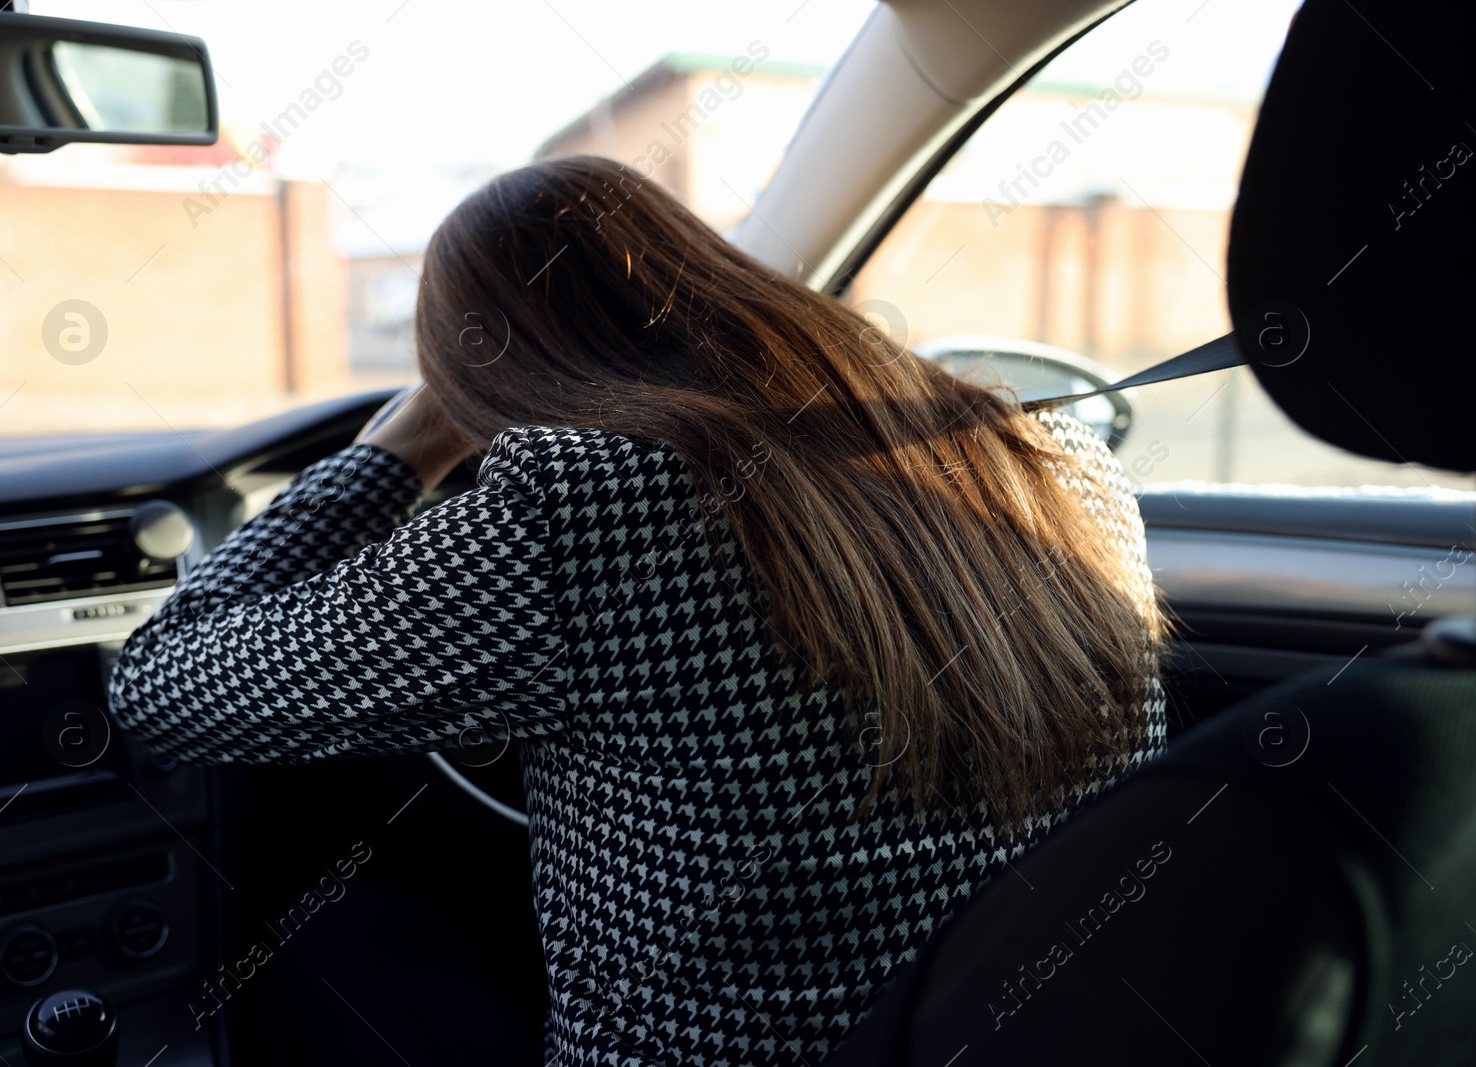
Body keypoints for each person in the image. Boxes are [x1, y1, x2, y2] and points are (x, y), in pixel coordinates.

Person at [108, 154, 1166, 1066]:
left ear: (485, 368)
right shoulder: (1055, 457)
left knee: (332, 937)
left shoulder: (570, 508)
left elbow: (160, 686)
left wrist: (398, 451)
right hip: (1028, 1030)